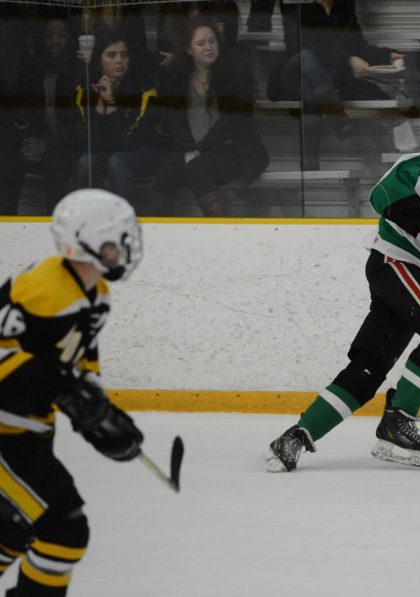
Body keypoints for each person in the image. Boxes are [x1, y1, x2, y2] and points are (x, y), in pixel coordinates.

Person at [259, 122, 420, 471]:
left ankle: (295, 437)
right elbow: (383, 192)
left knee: (369, 367)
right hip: (395, 260)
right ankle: (398, 420)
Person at [0, 188, 145, 595]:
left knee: (13, 529)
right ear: (90, 242)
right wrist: (57, 388)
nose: (127, 247)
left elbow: (81, 365)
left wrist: (100, 415)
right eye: (119, 240)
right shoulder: (41, 287)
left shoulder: (97, 294)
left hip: (27, 433)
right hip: (4, 436)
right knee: (64, 530)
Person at [150, 16, 268, 217]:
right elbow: (174, 120)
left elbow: (234, 120)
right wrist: (189, 149)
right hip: (193, 150)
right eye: (201, 43)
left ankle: (218, 230)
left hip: (232, 150)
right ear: (189, 49)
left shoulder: (235, 72)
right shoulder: (177, 76)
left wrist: (200, 149)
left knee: (197, 168)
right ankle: (160, 235)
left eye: (212, 41)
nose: (208, 47)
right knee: (164, 174)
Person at [271, 0, 405, 169]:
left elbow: (358, 46)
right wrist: (347, 58)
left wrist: (387, 55)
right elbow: (295, 45)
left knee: (313, 83)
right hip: (291, 76)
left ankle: (310, 156)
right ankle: (338, 119)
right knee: (306, 56)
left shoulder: (344, 5)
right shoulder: (295, 3)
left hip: (321, 81)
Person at [71, 33, 169, 203]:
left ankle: (128, 222)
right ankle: (74, 221)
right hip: (110, 148)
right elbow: (92, 142)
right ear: (99, 59)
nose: (119, 61)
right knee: (85, 161)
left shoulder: (144, 86)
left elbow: (129, 142)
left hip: (147, 149)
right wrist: (101, 104)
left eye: (124, 55)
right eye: (111, 55)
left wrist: (110, 102)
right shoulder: (86, 86)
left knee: (117, 160)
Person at [0, 15, 79, 214]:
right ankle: (7, 223)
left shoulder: (78, 73)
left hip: (65, 144)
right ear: (42, 39)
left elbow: (80, 125)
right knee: (9, 159)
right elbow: (26, 115)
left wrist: (47, 144)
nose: (55, 40)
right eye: (49, 35)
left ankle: (52, 230)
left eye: (61, 35)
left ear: (70, 39)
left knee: (57, 163)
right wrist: (29, 140)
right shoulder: (33, 72)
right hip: (38, 139)